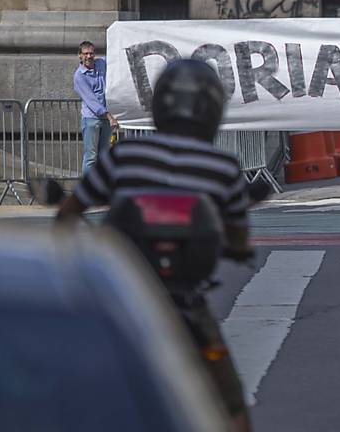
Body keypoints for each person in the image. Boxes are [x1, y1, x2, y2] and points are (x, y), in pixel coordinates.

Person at [57, 59, 252, 432]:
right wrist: (238, 248)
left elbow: (72, 209)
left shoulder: (126, 156)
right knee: (228, 399)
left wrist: (70, 250)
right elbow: (239, 236)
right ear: (212, 111)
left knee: (80, 383)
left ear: (159, 105)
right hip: (187, 303)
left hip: (128, 295)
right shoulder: (222, 167)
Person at [73, 41, 118, 172]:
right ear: (80, 56)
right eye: (85, 54)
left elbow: (117, 58)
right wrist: (109, 116)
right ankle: (87, 188)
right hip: (92, 119)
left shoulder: (101, 63)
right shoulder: (79, 76)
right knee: (91, 157)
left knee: (103, 156)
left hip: (106, 118)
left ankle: (100, 186)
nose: (89, 56)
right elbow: (91, 101)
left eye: (91, 53)